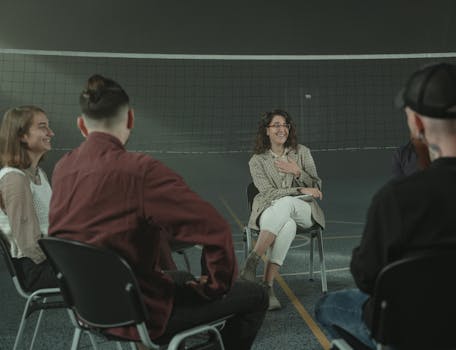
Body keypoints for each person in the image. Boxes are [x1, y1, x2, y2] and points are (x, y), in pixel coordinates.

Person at [48, 74, 268, 349]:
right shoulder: (141, 171)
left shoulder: (62, 168)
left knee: (183, 278)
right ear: (130, 119)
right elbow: (215, 230)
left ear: (81, 125)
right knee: (256, 296)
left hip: (88, 309)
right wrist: (214, 287)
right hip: (139, 312)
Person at [315, 62, 456, 348]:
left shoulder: (396, 199)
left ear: (416, 123)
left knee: (328, 304)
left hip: (412, 333)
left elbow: (366, 279)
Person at [240, 109, 325, 310]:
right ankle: (267, 287)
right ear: (266, 131)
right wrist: (299, 188)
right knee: (286, 225)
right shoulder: (257, 161)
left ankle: (252, 261)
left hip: (304, 210)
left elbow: (317, 188)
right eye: (276, 125)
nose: (281, 129)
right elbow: (268, 194)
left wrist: (297, 171)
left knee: (286, 203)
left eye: (285, 125)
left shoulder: (302, 152)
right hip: (271, 210)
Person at [0, 106, 57, 291]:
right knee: (106, 271)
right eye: (42, 127)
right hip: (35, 268)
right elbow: (29, 245)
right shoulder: (14, 179)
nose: (51, 132)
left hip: (51, 258)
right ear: (22, 136)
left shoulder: (39, 174)